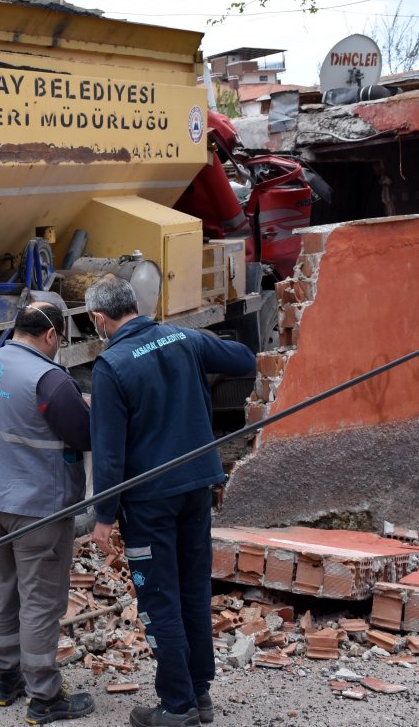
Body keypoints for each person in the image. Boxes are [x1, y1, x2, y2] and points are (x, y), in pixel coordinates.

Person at [85, 275, 255, 727]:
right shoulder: (183, 337)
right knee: (193, 590)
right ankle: (199, 694)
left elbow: (108, 452)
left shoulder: (111, 366)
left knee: (160, 598)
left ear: (100, 318)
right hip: (197, 489)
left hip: (149, 503)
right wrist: (191, 350)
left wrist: (104, 515)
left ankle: (176, 706)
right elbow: (243, 358)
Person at [0, 302, 96, 725]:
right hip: (38, 509)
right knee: (40, 601)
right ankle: (44, 698)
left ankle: (5, 680)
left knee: (1, 591)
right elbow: (84, 434)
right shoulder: (51, 380)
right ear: (52, 335)